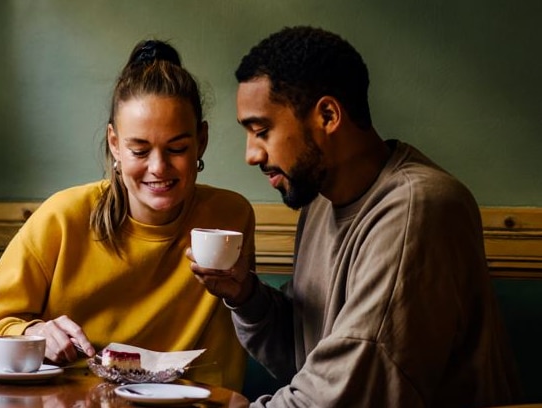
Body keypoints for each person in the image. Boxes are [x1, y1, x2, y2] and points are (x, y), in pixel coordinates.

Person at [189, 26, 521, 406]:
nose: (251, 154)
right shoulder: (318, 199)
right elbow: (309, 358)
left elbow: (340, 395)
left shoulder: (419, 209)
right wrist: (245, 295)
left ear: (328, 115)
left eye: (262, 131)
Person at [0, 39, 255, 391]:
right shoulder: (62, 219)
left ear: (201, 140)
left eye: (178, 148)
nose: (158, 167)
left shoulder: (230, 217)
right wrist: (29, 332)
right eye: (139, 149)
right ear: (114, 144)